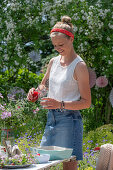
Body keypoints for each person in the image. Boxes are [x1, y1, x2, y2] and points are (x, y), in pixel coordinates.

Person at [27, 16, 91, 170]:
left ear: (71, 39)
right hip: (51, 119)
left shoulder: (79, 66)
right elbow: (43, 86)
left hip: (70, 120)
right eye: (55, 45)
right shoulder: (53, 62)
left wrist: (59, 104)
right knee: (41, 164)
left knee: (68, 166)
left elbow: (86, 102)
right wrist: (34, 92)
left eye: (61, 44)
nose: (57, 48)